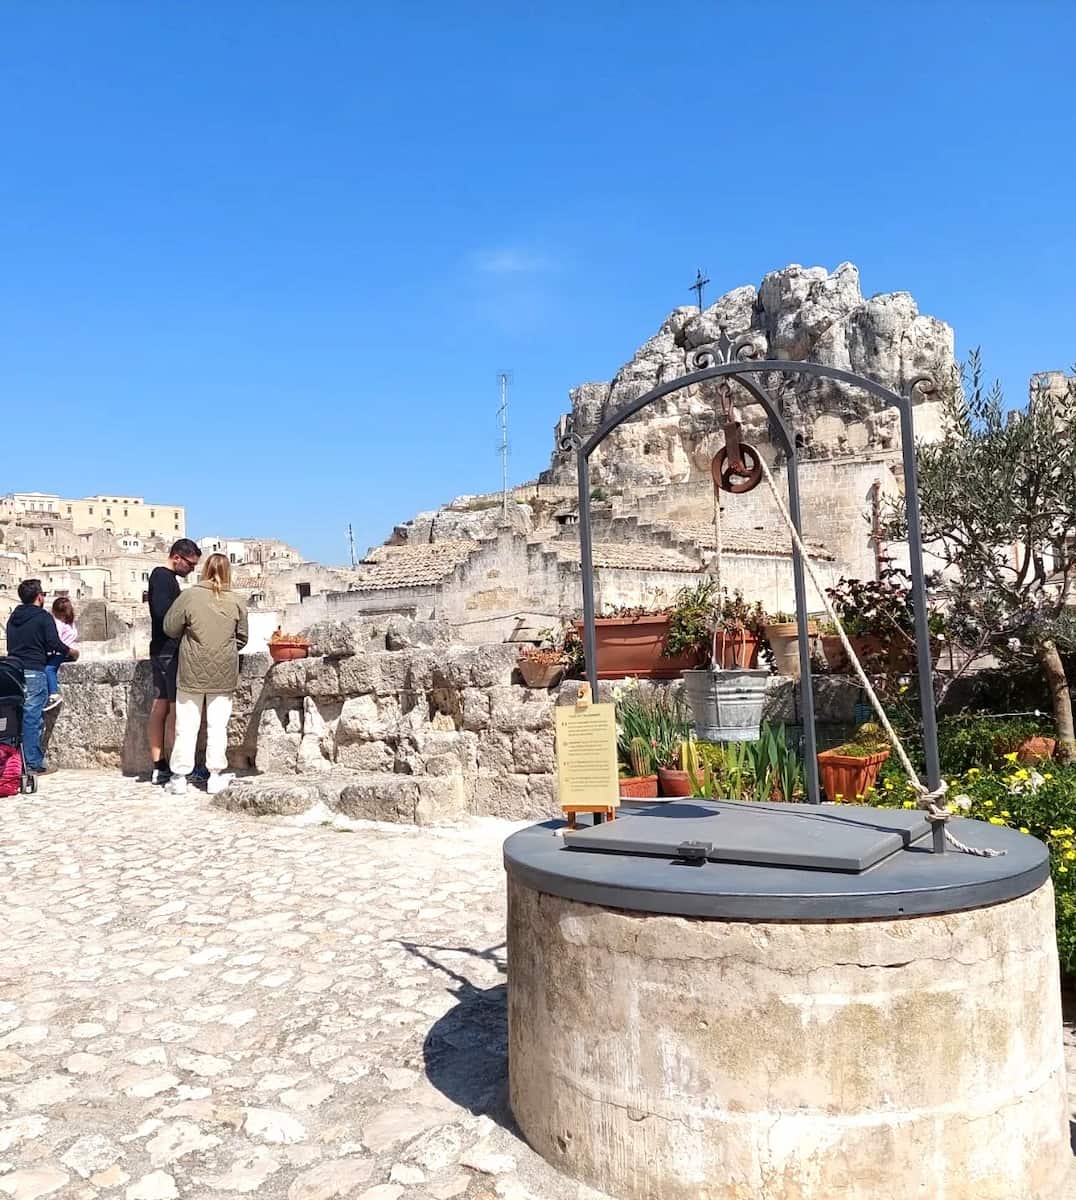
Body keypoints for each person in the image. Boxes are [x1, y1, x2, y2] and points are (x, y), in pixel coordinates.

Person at [163, 552, 247, 796]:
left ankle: (179, 777)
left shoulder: (189, 596)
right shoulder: (237, 601)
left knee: (186, 726)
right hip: (224, 671)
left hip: (191, 670)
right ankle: (215, 776)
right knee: (217, 726)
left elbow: (169, 627)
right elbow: (242, 637)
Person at [5, 579, 79, 775]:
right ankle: (32, 764)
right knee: (33, 718)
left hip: (13, 670)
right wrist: (71, 652)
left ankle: (14, 762)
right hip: (33, 671)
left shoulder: (13, 618)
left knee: (16, 717)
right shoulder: (42, 617)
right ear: (39, 596)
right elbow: (53, 643)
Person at [146, 538, 201, 785]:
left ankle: (160, 766)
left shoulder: (164, 579)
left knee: (162, 707)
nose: (192, 570)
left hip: (160, 649)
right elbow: (163, 615)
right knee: (173, 710)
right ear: (177, 557)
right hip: (168, 651)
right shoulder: (163, 577)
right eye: (190, 564)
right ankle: (174, 765)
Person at [43, 596, 80, 711]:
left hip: (64, 652)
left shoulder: (58, 623)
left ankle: (54, 694)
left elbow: (55, 641)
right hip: (72, 652)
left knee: (48, 669)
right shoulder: (71, 623)